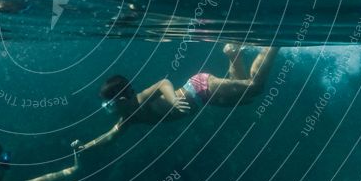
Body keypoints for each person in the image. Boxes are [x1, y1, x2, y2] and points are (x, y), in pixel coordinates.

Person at [77, 44, 280, 152]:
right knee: (244, 97)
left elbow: (163, 83)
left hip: (200, 88)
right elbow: (111, 135)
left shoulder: (140, 99)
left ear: (121, 100)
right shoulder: (131, 118)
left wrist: (173, 99)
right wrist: (85, 147)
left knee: (254, 88)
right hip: (204, 99)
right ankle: (232, 52)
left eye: (109, 106)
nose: (108, 110)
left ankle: (274, 42)